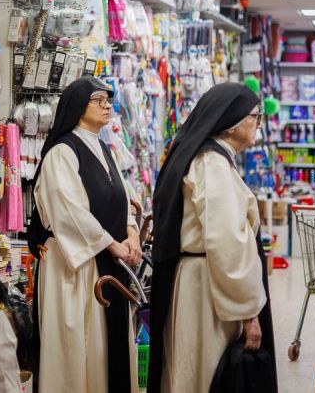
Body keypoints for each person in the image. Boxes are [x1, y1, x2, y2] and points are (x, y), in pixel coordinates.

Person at [147, 83, 277, 393]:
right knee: (205, 374)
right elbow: (228, 243)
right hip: (211, 291)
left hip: (205, 282)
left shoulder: (209, 159)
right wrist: (249, 313)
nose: (258, 123)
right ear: (232, 123)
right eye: (255, 116)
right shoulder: (212, 164)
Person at [27, 76, 141, 393]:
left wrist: (131, 231)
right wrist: (112, 245)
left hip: (105, 263)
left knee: (105, 351)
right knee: (79, 350)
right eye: (98, 100)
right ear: (78, 106)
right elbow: (68, 211)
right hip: (75, 268)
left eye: (108, 100)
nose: (107, 106)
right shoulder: (62, 153)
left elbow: (123, 196)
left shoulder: (103, 148)